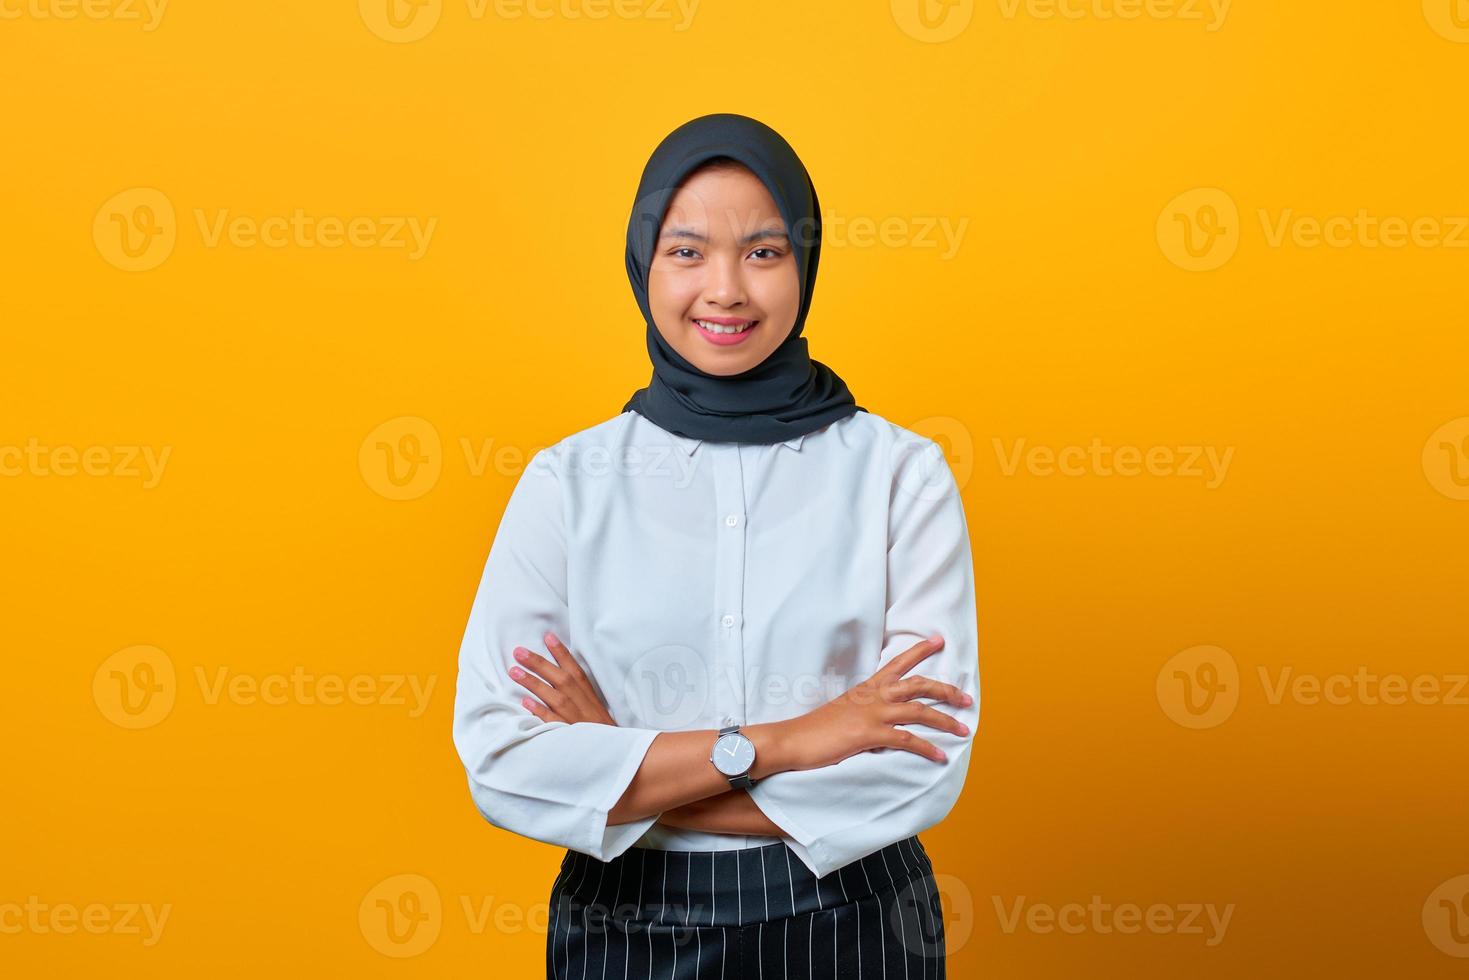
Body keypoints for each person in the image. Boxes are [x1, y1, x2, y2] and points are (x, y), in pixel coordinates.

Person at [451, 112, 980, 979]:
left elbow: (920, 773)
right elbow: (505, 765)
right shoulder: (567, 482)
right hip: (624, 926)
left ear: (805, 266)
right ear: (642, 265)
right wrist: (792, 740)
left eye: (764, 252)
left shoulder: (900, 475)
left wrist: (626, 764)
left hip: (855, 923)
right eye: (687, 252)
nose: (725, 290)